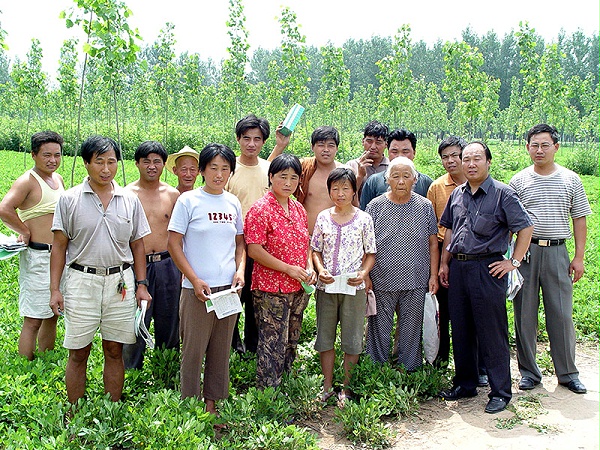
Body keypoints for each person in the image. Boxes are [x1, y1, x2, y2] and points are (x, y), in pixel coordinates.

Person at [49, 135, 152, 403]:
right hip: (81, 281)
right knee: (78, 351)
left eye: (111, 162)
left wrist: (142, 285)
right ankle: (75, 410)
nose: (106, 169)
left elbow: (138, 245)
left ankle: (112, 407)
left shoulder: (129, 200)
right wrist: (54, 289)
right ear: (86, 163)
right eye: (99, 162)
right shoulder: (69, 199)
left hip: (121, 281)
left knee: (114, 349)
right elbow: (59, 246)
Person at [438, 141, 533, 414]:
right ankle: (466, 384)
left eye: (476, 158)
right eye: (466, 159)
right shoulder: (457, 194)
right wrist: (445, 264)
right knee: (462, 328)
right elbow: (451, 232)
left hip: (488, 270)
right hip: (459, 268)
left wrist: (512, 262)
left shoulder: (503, 194)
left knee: (492, 330)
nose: (470, 164)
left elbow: (525, 228)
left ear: (488, 162)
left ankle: (501, 391)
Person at [510, 124, 592, 395]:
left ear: (556, 147)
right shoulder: (519, 181)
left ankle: (567, 373)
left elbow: (579, 219)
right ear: (527, 148)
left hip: (558, 251)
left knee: (561, 313)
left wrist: (578, 257)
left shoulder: (571, 179)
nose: (539, 150)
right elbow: (509, 221)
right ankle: (529, 373)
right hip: (526, 253)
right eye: (534, 145)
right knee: (524, 315)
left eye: (545, 145)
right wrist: (512, 257)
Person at [167, 143, 245, 416]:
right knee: (193, 351)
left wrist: (240, 271)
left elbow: (240, 245)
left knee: (220, 351)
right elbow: (174, 244)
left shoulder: (233, 202)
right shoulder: (188, 201)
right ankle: (190, 406)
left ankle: (214, 404)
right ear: (202, 170)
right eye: (213, 168)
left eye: (225, 168)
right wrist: (194, 278)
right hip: (196, 290)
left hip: (227, 291)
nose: (219, 174)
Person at [244, 154, 316, 388]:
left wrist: (308, 266)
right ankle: (268, 395)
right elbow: (254, 249)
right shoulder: (260, 209)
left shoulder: (297, 208)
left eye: (293, 178)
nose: (288, 183)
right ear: (271, 177)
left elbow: (305, 242)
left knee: (291, 339)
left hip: (297, 287)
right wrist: (288, 269)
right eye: (282, 177)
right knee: (272, 343)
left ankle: (284, 387)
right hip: (270, 289)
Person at [365, 156, 439, 371]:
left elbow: (433, 243)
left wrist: (433, 276)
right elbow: (366, 245)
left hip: (416, 278)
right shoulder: (375, 206)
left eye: (406, 176)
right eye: (395, 176)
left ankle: (409, 370)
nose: (400, 181)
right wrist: (367, 275)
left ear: (414, 179)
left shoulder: (424, 206)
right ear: (387, 179)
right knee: (379, 327)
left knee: (411, 328)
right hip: (382, 278)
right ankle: (375, 370)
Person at [225, 114, 291, 354]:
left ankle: (252, 346)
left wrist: (281, 144)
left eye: (257, 139)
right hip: (233, 245)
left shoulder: (268, 170)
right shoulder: (228, 169)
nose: (251, 144)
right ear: (238, 139)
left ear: (263, 142)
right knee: (233, 295)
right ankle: (232, 345)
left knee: (256, 299)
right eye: (246, 138)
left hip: (262, 247)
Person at [312, 168, 376, 405]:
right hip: (326, 288)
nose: (340, 193)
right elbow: (315, 250)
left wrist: (363, 273)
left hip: (353, 288)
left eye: (345, 188)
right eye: (335, 188)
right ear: (329, 191)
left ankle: (347, 389)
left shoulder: (363, 219)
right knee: (325, 338)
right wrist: (320, 270)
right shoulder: (323, 217)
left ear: (353, 190)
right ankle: (327, 385)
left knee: (352, 339)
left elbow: (370, 253)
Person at [0, 131, 65, 360]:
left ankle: (45, 359)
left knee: (53, 312)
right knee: (33, 318)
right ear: (34, 155)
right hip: (38, 256)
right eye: (46, 155)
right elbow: (4, 209)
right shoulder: (27, 180)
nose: (52, 160)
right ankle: (26, 363)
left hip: (58, 257)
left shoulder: (57, 179)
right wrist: (25, 230)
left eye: (57, 155)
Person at [122, 141, 181, 370]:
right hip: (137, 265)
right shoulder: (126, 194)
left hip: (167, 264)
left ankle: (166, 369)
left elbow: (179, 236)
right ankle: (132, 371)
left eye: (157, 161)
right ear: (137, 163)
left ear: (164, 165)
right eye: (146, 161)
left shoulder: (172, 194)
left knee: (170, 320)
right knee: (136, 321)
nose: (151, 166)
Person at [426, 136, 467, 368]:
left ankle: (472, 363)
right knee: (443, 308)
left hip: (471, 253)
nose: (450, 160)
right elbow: (433, 231)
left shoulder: (480, 184)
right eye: (445, 157)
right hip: (443, 251)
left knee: (467, 308)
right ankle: (441, 359)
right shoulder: (437, 187)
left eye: (455, 155)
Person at [360, 129, 433, 209]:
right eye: (394, 152)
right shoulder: (373, 182)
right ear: (388, 152)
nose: (400, 156)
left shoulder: (426, 183)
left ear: (414, 153)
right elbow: (365, 215)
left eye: (405, 152)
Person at [295, 126, 347, 234]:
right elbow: (271, 171)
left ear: (337, 148)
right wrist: (280, 145)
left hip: (335, 238)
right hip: (306, 237)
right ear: (312, 147)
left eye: (331, 145)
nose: (326, 150)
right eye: (321, 145)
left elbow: (353, 207)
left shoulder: (345, 173)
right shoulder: (303, 167)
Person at [346, 120, 390, 195]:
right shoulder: (351, 165)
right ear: (363, 141)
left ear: (386, 144)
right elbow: (346, 195)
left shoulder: (391, 167)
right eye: (369, 141)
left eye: (378, 142)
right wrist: (360, 176)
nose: (373, 147)